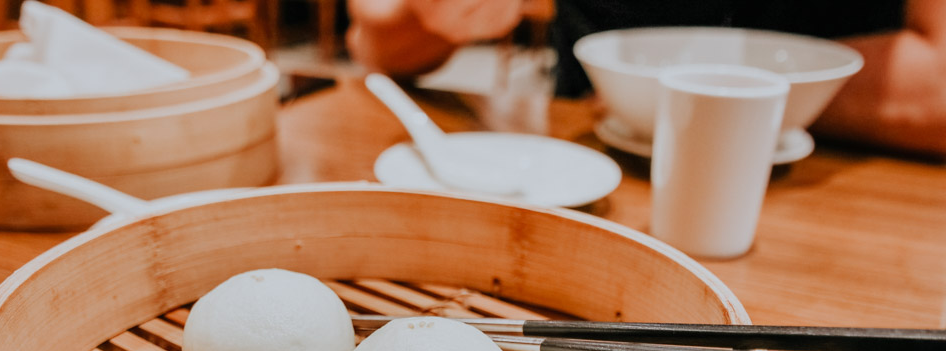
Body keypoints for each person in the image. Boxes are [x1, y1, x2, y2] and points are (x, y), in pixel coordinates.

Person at [346, 0, 946, 156]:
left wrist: (674, 79)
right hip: (590, 164)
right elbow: (373, 42)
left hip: (841, 195)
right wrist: (433, 17)